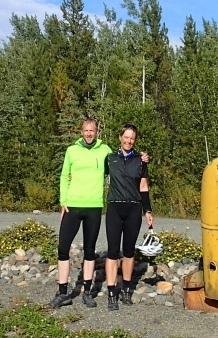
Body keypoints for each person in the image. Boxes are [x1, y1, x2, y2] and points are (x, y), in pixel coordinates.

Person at [51, 119, 147, 308]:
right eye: (86, 130)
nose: (88, 133)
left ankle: (87, 292)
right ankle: (62, 292)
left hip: (94, 206)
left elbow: (123, 165)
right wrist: (63, 201)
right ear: (81, 132)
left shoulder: (106, 152)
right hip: (72, 205)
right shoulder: (72, 151)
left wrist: (142, 158)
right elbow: (64, 175)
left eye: (92, 130)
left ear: (97, 132)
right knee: (63, 248)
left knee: (89, 251)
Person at [104, 123, 154, 311]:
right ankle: (111, 292)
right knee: (112, 251)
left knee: (129, 251)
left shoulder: (141, 160)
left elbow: (143, 186)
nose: (129, 141)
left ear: (135, 140)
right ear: (120, 137)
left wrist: (147, 210)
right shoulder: (110, 158)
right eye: (126, 137)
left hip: (134, 209)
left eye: (132, 138)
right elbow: (95, 175)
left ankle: (126, 289)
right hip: (115, 208)